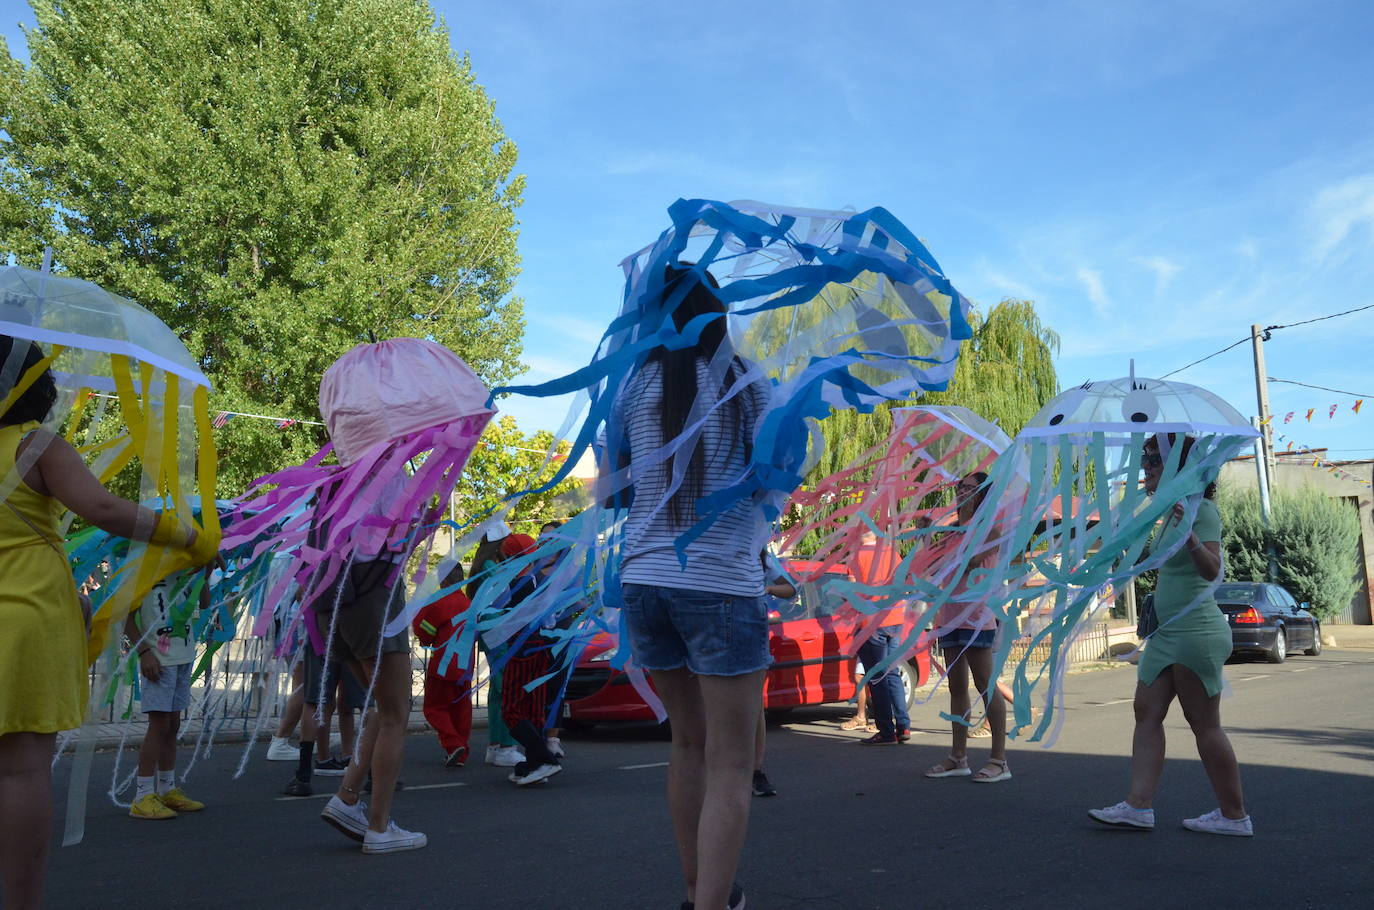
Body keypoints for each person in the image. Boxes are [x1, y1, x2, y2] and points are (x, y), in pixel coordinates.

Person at [0, 336, 213, 909]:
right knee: (20, 772)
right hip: (23, 621)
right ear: (36, 387)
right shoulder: (35, 444)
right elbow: (106, 510)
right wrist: (188, 536)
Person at [614, 266, 767, 910]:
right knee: (731, 763)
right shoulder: (748, 384)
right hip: (722, 583)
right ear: (717, 313)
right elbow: (775, 479)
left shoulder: (632, 385)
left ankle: (695, 890)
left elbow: (617, 490)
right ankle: (712, 902)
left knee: (686, 743)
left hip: (642, 580)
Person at [1089, 434, 1251, 836]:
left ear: (1179, 468)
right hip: (1165, 633)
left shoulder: (1203, 511)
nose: (1147, 468)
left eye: (1155, 461)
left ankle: (1235, 816)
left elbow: (1212, 571)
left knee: (1204, 724)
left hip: (1197, 632)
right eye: (1145, 461)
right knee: (1146, 710)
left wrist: (1190, 537)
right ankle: (1138, 805)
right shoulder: (1167, 514)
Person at [312, 475, 426, 854]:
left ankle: (346, 798)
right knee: (396, 712)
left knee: (380, 707)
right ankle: (379, 827)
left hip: (334, 605)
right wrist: (423, 526)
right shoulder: (390, 476)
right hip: (373, 597)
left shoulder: (339, 479)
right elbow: (396, 546)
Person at [923, 472, 1010, 783]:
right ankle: (958, 757)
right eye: (960, 487)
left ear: (982, 495)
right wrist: (927, 538)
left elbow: (967, 563)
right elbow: (931, 567)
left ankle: (999, 760)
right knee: (956, 687)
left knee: (986, 684)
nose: (962, 492)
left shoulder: (989, 530)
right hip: (949, 616)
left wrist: (947, 544)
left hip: (976, 617)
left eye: (970, 488)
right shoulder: (951, 533)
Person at [124, 570, 211, 819]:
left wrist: (206, 571)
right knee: (159, 724)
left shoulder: (185, 569)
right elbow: (126, 615)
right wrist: (143, 652)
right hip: (159, 658)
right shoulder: (146, 567)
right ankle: (142, 796)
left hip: (183, 655)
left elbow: (203, 602)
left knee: (173, 724)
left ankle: (167, 788)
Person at [469, 527, 523, 767]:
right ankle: (506, 745)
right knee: (507, 687)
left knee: (497, 689)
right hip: (498, 628)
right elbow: (505, 597)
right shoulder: (493, 566)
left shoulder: (483, 565)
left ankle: (495, 745)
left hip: (489, 629)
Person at [413, 563, 476, 767]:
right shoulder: (469, 603)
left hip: (443, 665)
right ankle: (461, 753)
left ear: (443, 580)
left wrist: (427, 640)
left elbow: (424, 630)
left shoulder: (439, 602)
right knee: (461, 711)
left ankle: (453, 744)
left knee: (434, 709)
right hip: (465, 667)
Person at [853, 531, 912, 746]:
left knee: (877, 678)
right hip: (894, 618)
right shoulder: (891, 552)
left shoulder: (856, 557)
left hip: (871, 622)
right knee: (892, 673)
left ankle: (886, 731)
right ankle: (903, 725)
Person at [752, 551, 794, 798]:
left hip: (752, 629)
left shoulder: (762, 555)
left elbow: (789, 588)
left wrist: (767, 589)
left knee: (754, 704)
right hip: (714, 631)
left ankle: (756, 770)